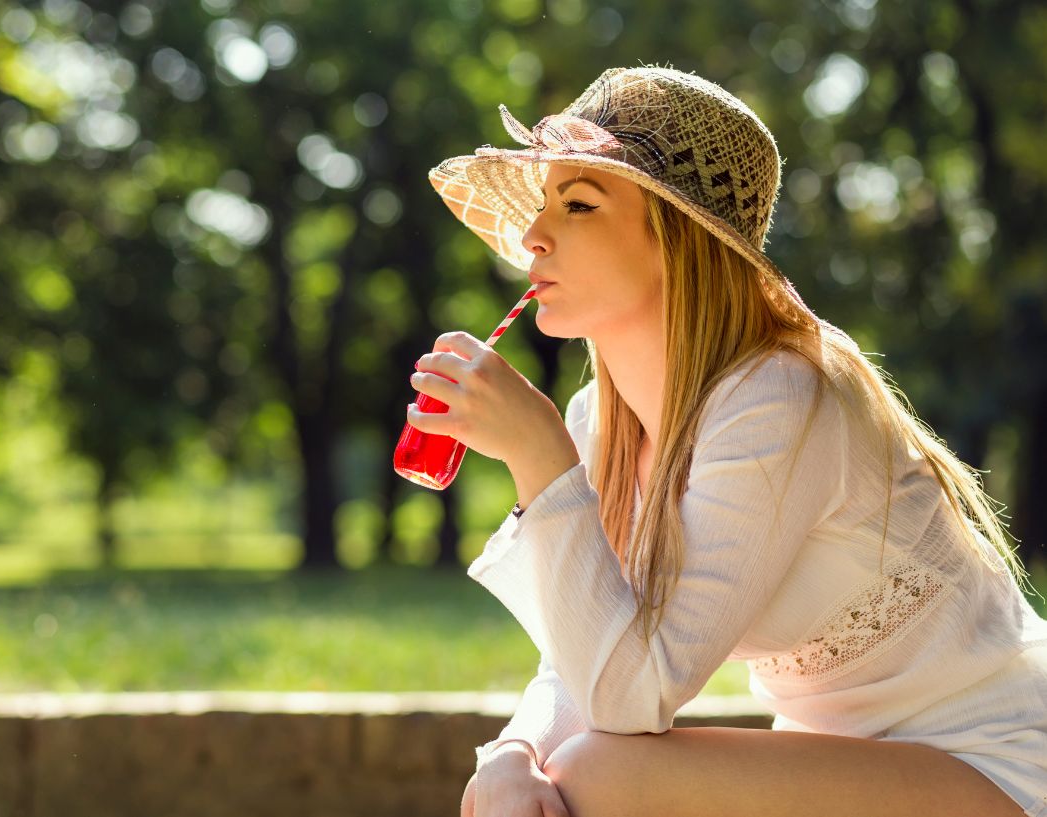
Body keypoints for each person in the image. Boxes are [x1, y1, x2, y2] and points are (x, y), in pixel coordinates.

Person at [405, 65, 1047, 817]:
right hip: (845, 763)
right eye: (543, 204)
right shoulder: (596, 422)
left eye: (578, 205)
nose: (533, 236)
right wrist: (511, 754)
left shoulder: (779, 395)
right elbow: (585, 657)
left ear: (678, 239)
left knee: (598, 775)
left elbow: (633, 697)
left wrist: (539, 459)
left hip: (994, 758)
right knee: (530, 788)